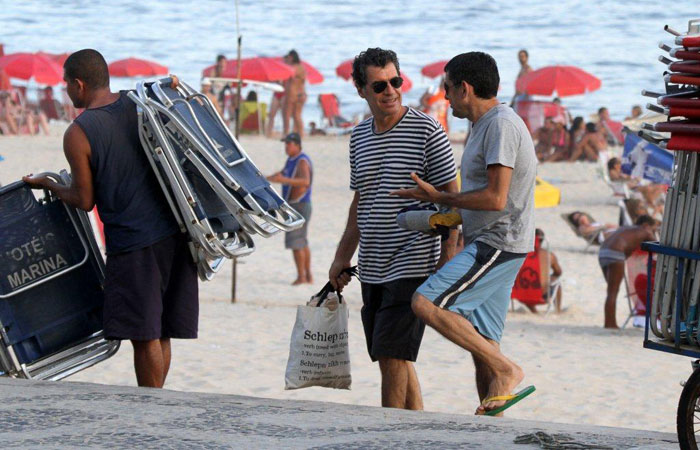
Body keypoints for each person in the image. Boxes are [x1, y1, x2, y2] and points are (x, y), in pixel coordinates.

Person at [22, 49, 198, 388]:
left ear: (79, 84)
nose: (66, 91)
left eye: (66, 85)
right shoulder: (140, 104)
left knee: (144, 335)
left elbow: (84, 200)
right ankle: (158, 405)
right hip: (176, 233)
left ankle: (150, 409)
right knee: (160, 330)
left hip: (133, 243)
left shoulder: (79, 132)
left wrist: (51, 185)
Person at [392, 51, 537, 416]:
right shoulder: (482, 125)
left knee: (425, 303)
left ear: (465, 88)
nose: (444, 97)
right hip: (487, 240)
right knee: (483, 346)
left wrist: (441, 196)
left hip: (498, 243)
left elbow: (495, 197)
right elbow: (480, 198)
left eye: (448, 88)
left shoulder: (501, 124)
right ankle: (493, 424)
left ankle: (508, 368)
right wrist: (441, 216)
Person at [328, 48, 458, 411]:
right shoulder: (359, 138)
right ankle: (417, 429)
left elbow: (453, 197)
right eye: (380, 85)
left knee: (391, 355)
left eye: (396, 81)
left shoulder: (427, 129)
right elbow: (361, 201)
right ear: (361, 90)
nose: (390, 91)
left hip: (414, 261)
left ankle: (387, 433)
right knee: (394, 356)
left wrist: (447, 259)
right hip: (372, 263)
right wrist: (342, 257)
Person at [267, 132, 313, 285]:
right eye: (285, 144)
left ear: (297, 144)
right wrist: (269, 178)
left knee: (296, 242)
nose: (286, 147)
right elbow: (283, 174)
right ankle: (307, 276)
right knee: (302, 241)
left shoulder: (302, 161)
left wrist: (283, 180)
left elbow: (305, 181)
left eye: (289, 144)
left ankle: (302, 276)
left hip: (299, 204)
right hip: (295, 204)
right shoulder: (291, 160)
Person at [598, 215, 658, 328]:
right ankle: (610, 324)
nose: (653, 232)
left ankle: (608, 322)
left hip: (603, 252)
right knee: (613, 292)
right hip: (616, 253)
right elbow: (658, 247)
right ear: (646, 225)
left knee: (610, 291)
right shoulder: (644, 231)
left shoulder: (625, 228)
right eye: (653, 229)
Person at [283, 50, 307, 138]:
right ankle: (299, 134)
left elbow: (288, 76)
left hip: (294, 94)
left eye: (289, 57)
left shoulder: (294, 68)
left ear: (292, 57)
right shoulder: (300, 67)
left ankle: (289, 134)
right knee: (296, 115)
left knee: (290, 115)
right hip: (300, 93)